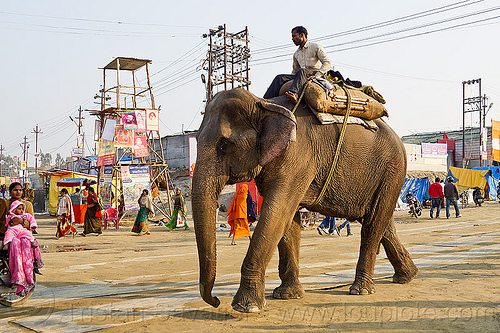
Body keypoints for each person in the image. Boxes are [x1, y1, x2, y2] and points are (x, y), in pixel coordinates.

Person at [263, 26, 331, 104]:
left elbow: (327, 63)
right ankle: (265, 100)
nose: (292, 39)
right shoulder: (296, 54)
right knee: (279, 78)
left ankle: (294, 93)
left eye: (294, 36)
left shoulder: (315, 47)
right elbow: (295, 71)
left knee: (302, 71)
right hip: (301, 75)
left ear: (302, 35)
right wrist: (289, 80)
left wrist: (318, 75)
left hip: (314, 73)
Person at [2, 200, 43, 296]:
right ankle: (19, 278)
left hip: (22, 232)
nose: (18, 192)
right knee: (12, 239)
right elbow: (5, 224)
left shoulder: (27, 205)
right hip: (12, 233)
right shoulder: (5, 203)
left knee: (27, 239)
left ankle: (28, 278)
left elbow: (31, 220)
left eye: (19, 190)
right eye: (15, 190)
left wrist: (23, 222)